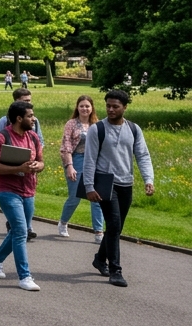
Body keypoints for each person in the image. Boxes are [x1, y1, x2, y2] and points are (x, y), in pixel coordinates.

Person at [83, 89, 155, 287]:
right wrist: (89, 186)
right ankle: (115, 270)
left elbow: (142, 155)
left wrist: (148, 179)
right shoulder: (97, 129)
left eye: (115, 106)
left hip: (127, 184)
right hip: (106, 185)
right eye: (108, 106)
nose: (111, 109)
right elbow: (89, 160)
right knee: (113, 225)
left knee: (117, 227)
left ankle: (99, 259)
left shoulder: (133, 129)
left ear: (125, 107)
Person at [0, 99, 45, 291]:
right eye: (30, 116)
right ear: (19, 118)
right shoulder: (2, 137)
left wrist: (37, 166)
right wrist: (19, 168)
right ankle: (25, 276)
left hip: (29, 190)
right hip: (7, 190)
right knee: (21, 231)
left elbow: (41, 162)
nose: (33, 119)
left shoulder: (34, 137)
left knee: (17, 231)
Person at [58, 95, 105, 241]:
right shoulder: (71, 124)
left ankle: (98, 232)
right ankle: (63, 222)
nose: (84, 108)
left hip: (94, 162)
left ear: (92, 108)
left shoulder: (97, 124)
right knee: (75, 197)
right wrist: (69, 166)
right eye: (82, 106)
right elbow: (66, 146)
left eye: (87, 106)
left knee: (96, 197)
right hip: (76, 160)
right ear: (77, 108)